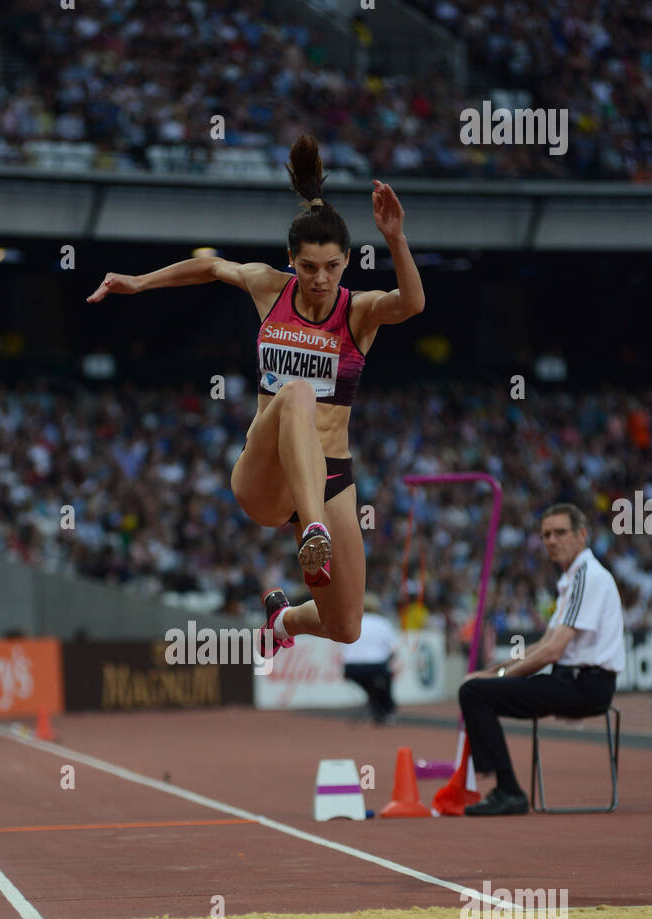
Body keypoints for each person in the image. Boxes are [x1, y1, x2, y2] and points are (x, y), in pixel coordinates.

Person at [87, 132, 425, 656]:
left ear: (347, 263)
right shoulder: (270, 287)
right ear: (291, 260)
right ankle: (313, 529)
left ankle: (282, 619)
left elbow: (412, 303)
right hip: (266, 472)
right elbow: (210, 266)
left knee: (346, 625)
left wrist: (397, 239)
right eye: (308, 267)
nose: (319, 279)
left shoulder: (358, 311)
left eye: (332, 267)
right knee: (295, 395)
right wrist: (138, 282)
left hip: (332, 471)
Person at [459, 504, 624, 816]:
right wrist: (493, 670)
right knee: (477, 688)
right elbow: (543, 644)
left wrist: (497, 678)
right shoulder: (571, 581)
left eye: (560, 533)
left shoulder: (589, 577)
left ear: (582, 535)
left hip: (586, 686)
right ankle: (503, 788)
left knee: (474, 693)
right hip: (568, 680)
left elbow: (552, 651)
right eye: (546, 534)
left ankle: (507, 791)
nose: (551, 540)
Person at [343, 592, 399, 723]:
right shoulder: (383, 623)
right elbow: (393, 650)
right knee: (384, 681)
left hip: (351, 669)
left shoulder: (350, 621)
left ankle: (376, 707)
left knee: (372, 686)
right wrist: (388, 664)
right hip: (375, 666)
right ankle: (387, 709)